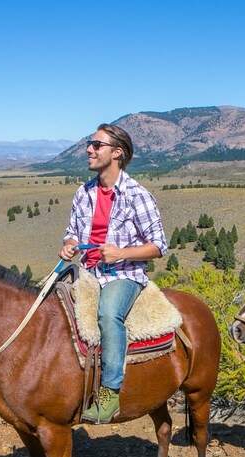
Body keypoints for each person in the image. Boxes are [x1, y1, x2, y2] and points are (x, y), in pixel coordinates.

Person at [60, 124, 168, 423]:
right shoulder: (84, 192)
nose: (89, 150)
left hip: (124, 275)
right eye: (89, 144)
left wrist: (121, 253)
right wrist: (69, 244)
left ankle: (110, 394)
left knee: (109, 315)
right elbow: (72, 232)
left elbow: (159, 245)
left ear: (116, 153)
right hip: (88, 272)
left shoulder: (137, 195)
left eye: (96, 145)